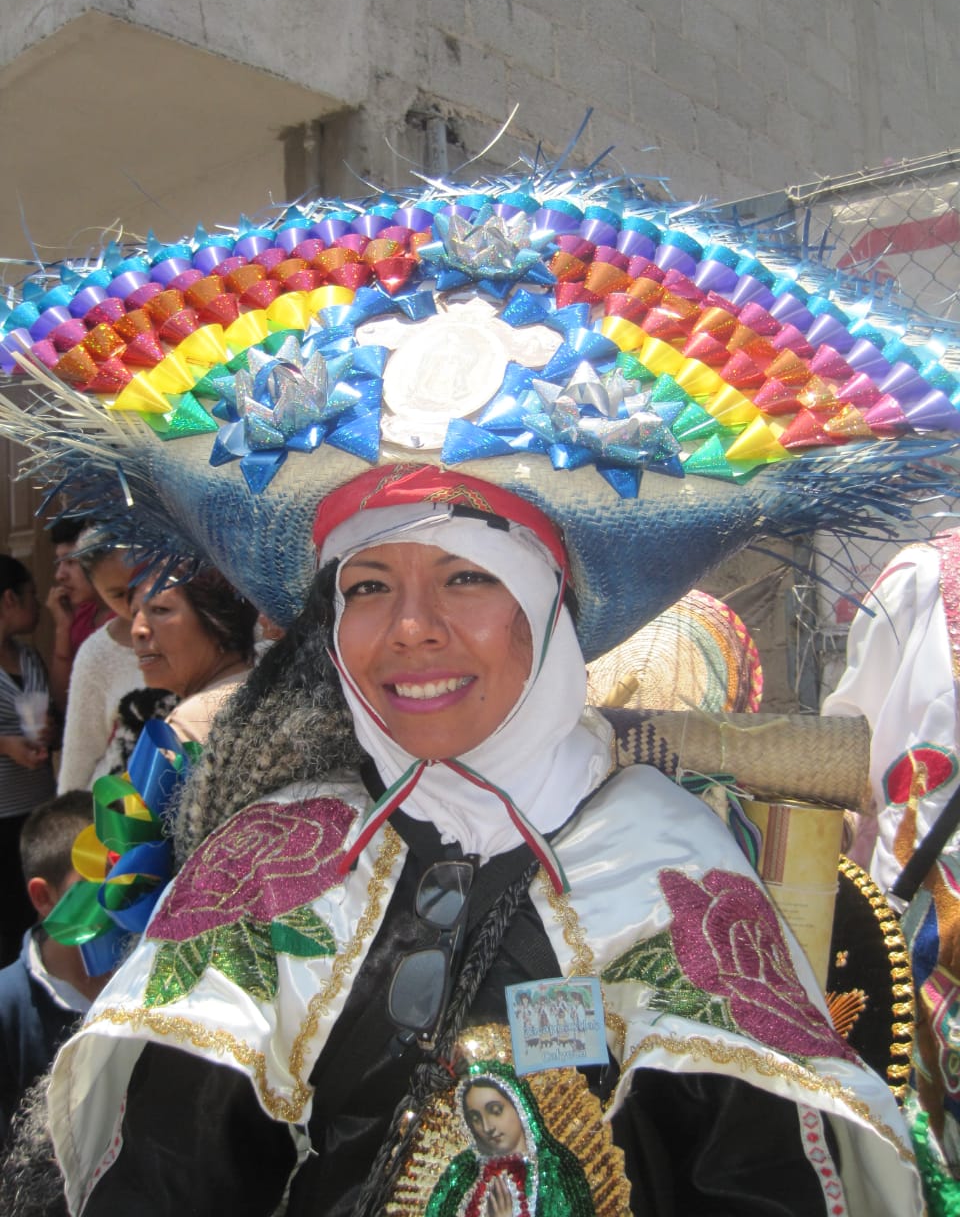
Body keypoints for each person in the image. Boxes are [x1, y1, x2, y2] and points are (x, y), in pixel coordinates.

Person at [44, 465, 919, 1216]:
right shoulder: (276, 861)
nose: (410, 626)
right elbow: (165, 1174)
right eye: (368, 585)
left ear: (547, 613)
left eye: (466, 577)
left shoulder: (670, 869)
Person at [822, 529, 960, 1206]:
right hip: (930, 941)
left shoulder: (924, 577)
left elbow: (851, 750)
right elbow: (851, 752)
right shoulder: (924, 581)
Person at [0, 792, 111, 1147]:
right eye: (97, 883)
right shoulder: (8, 1009)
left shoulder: (149, 979)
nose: (120, 897)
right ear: (43, 898)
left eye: (132, 876)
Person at [56, 535, 175, 793]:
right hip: (121, 817)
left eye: (141, 583)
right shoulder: (96, 654)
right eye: (119, 594)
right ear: (98, 591)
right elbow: (79, 756)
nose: (135, 603)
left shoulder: (196, 631)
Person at [426, 1064, 593, 1217]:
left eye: (495, 1110)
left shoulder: (556, 1170)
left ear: (519, 1105)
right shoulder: (463, 1174)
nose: (487, 1126)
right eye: (475, 1118)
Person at [129, 565, 258, 746]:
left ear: (216, 621)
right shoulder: (273, 687)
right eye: (134, 614)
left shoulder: (189, 725)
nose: (137, 630)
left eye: (160, 609)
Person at [0, 557, 55, 968]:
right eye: (32, 595)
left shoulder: (31, 658)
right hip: (1, 811)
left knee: (34, 913)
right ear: (9, 599)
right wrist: (6, 745)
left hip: (37, 808)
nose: (37, 603)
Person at [44, 520, 113, 715]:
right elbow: (63, 702)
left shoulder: (128, 619)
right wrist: (62, 629)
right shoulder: (81, 615)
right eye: (59, 563)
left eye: (71, 562)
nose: (60, 575)